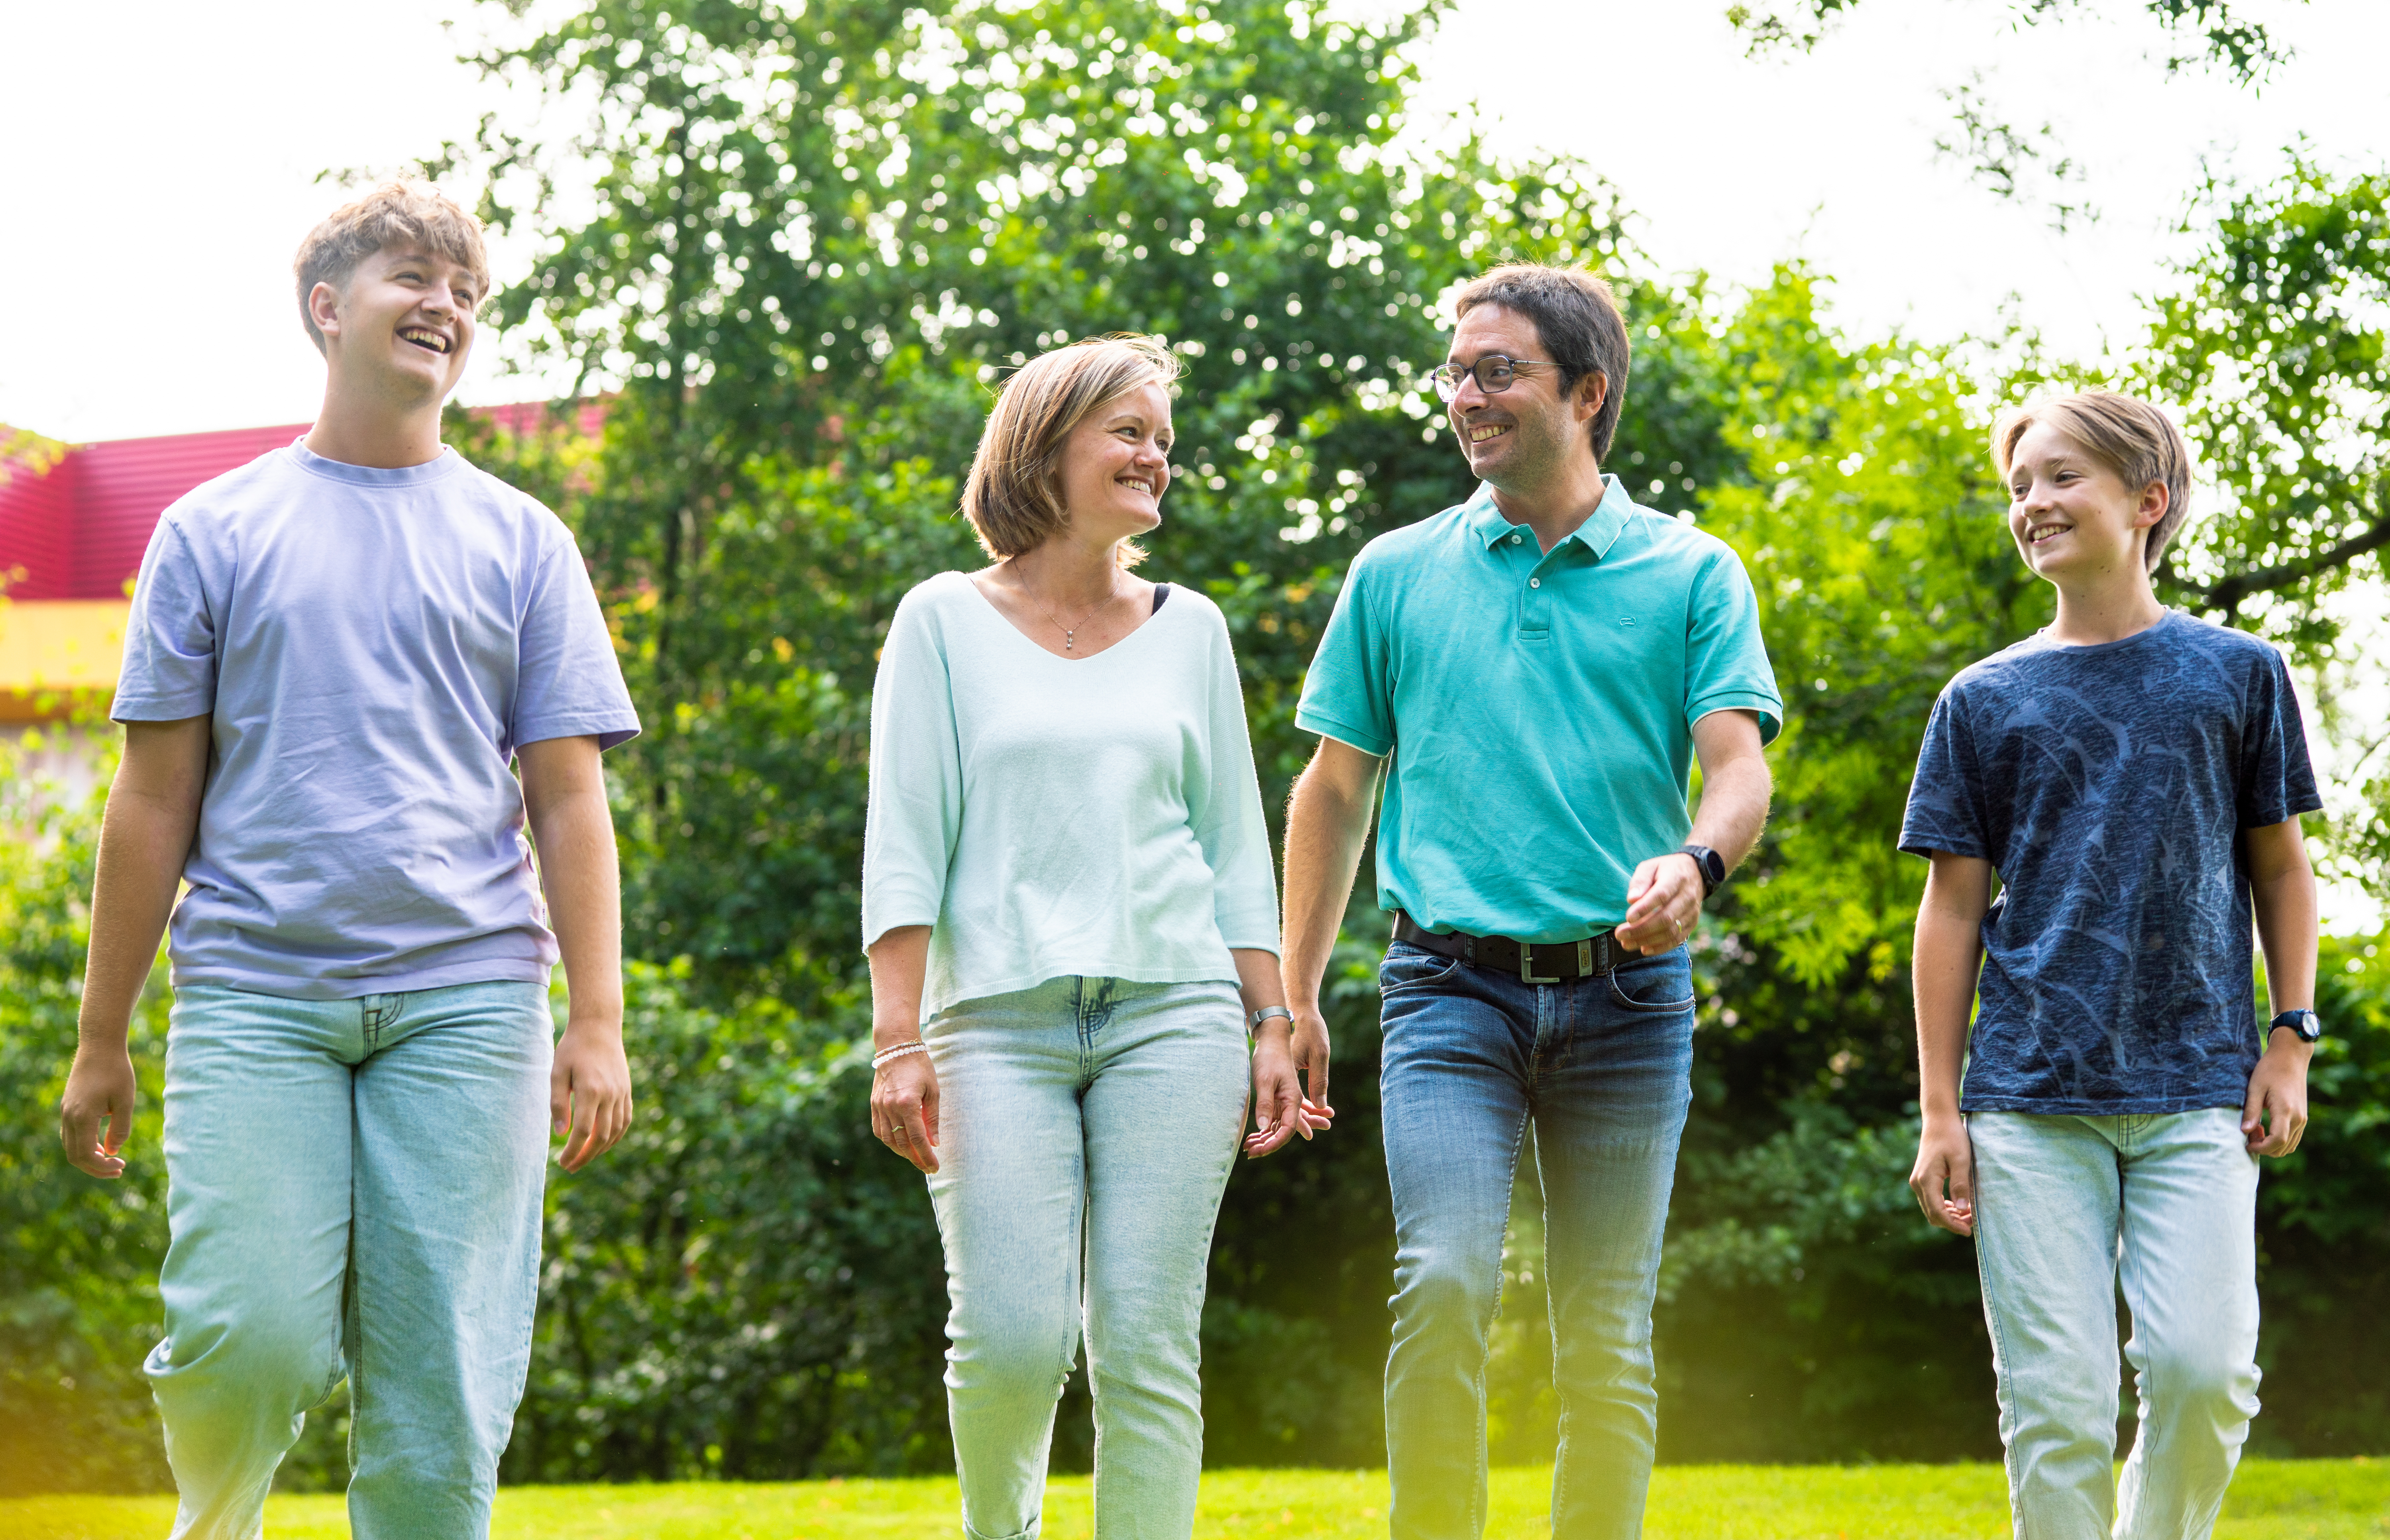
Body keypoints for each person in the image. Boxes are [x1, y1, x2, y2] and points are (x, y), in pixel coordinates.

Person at [55, 181, 641, 1540]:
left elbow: (568, 801)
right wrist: (104, 1034)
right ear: (328, 309)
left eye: (469, 291)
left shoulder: (522, 542)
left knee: (445, 1384)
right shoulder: (211, 531)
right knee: (244, 1341)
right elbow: (150, 802)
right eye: (415, 277)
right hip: (259, 1001)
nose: (447, 305)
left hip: (469, 1001)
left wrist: (597, 1019)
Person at [1280, 263, 1781, 1540]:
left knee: (1605, 1330)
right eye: (1457, 372)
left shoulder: (1690, 572)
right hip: (1448, 989)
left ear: (1588, 390)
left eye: (1498, 370)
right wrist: (1292, 998)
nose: (1468, 396)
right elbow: (1333, 795)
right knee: (1442, 1281)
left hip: (1627, 997)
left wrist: (1698, 865)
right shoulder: (1396, 574)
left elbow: (1737, 770)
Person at [860, 333, 1329, 1540]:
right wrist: (894, 1038)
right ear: (1045, 444)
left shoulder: (1194, 629)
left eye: (1162, 439)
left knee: (1148, 1341)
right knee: (1012, 1339)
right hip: (993, 1025)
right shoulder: (941, 623)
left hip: (1175, 1016)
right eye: (1128, 431)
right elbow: (904, 837)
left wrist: (1272, 1020)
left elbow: (1234, 846)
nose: (1154, 457)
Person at [1903, 390, 2321, 1540]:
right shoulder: (1982, 700)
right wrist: (1942, 1110)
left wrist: (2290, 1035)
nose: (2032, 504)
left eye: (2059, 478)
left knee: (2202, 1375)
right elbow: (1950, 913)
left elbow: (2282, 873)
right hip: (2028, 1102)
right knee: (2059, 1410)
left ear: (2149, 501)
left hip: (2199, 1087)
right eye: (2020, 486)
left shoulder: (2238, 674)